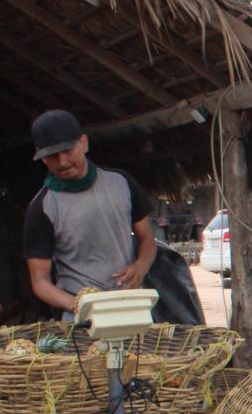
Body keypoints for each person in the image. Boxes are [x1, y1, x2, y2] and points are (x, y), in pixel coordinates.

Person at [22, 109, 157, 317]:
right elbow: (40, 281)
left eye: (68, 151)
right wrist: (79, 305)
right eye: (52, 156)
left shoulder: (121, 182)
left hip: (129, 303)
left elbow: (147, 238)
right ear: (42, 158)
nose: (63, 162)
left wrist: (141, 266)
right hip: (80, 313)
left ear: (83, 143)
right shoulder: (41, 208)